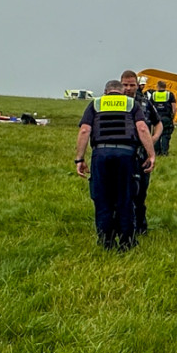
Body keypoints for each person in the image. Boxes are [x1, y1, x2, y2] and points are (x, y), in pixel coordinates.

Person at [74, 75, 156, 251]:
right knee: (125, 197)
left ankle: (106, 241)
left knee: (102, 198)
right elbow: (142, 128)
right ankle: (127, 241)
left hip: (101, 154)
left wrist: (79, 159)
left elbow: (84, 130)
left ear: (105, 92)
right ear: (122, 91)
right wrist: (151, 154)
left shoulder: (95, 104)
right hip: (126, 154)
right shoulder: (131, 104)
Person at [129, 73, 161, 236]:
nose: (128, 88)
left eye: (131, 85)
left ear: (137, 85)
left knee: (141, 193)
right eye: (125, 85)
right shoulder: (118, 104)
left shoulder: (145, 103)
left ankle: (141, 227)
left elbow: (158, 123)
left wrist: (153, 139)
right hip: (125, 154)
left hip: (142, 154)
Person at [149, 80, 176, 155]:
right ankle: (164, 152)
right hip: (166, 117)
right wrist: (172, 117)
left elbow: (150, 107)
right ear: (165, 86)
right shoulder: (169, 94)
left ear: (158, 86)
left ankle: (157, 152)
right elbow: (174, 108)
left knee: (156, 134)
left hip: (156, 118)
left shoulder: (153, 94)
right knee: (166, 135)